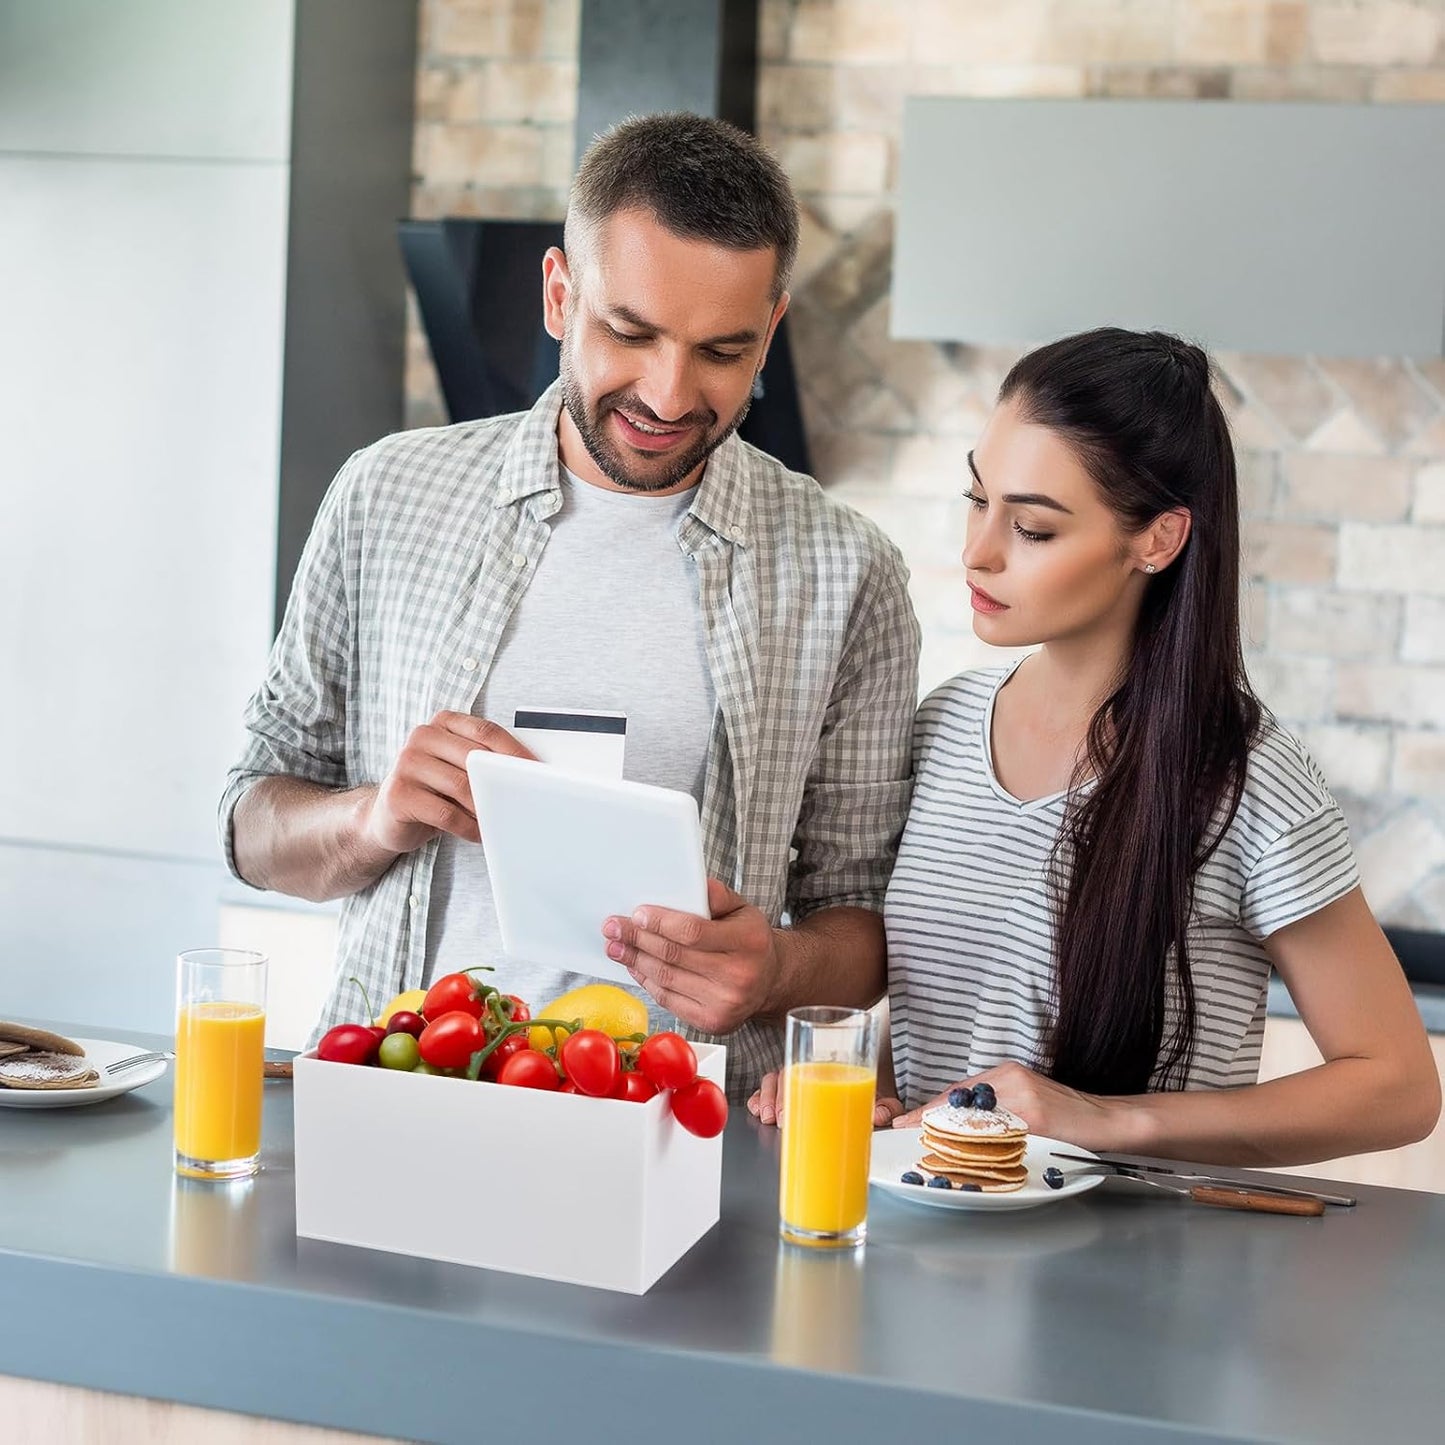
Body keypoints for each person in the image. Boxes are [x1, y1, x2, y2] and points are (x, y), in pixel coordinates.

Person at [220, 114, 919, 1100]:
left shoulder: (846, 572)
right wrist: (375, 817)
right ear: (558, 294)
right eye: (629, 333)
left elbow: (863, 920)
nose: (669, 394)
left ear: (770, 328)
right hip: (399, 1102)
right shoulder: (388, 496)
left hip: (687, 1134)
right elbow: (250, 826)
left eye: (721, 350)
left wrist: (776, 970)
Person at [751, 327, 1439, 1165]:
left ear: (1155, 539)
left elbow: (1398, 1085)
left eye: (1033, 529)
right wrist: (865, 1094)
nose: (979, 552)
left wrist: (1107, 1119)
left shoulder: (1245, 776)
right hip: (931, 1250)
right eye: (978, 501)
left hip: (1139, 1270)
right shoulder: (939, 728)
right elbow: (958, 1020)